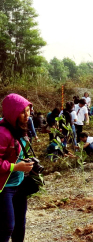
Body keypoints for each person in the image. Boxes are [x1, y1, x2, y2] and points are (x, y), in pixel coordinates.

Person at [0, 93, 34, 242]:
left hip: (19, 184)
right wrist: (15, 166)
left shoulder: (20, 129)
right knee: (7, 226)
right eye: (22, 111)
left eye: (28, 110)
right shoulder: (2, 133)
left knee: (20, 225)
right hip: (5, 186)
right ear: (12, 112)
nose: (27, 115)